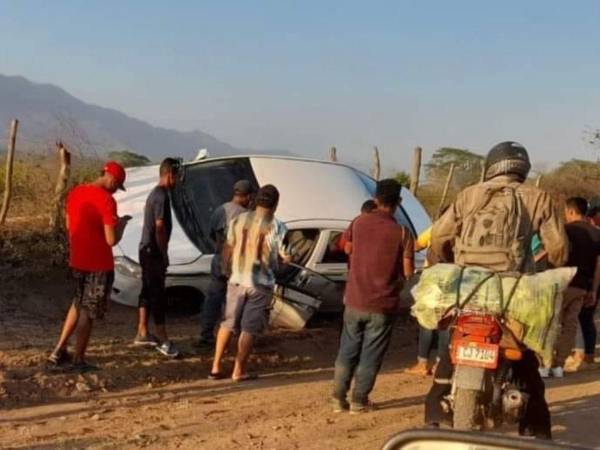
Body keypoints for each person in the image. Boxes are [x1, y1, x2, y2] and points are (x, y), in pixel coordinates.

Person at [424, 142, 568, 440]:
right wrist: (551, 271)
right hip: (513, 290)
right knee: (527, 363)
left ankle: (434, 419)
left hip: (468, 287)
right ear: (523, 168)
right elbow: (558, 247)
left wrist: (444, 263)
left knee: (452, 348)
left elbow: (439, 235)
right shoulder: (538, 197)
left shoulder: (468, 195)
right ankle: (537, 433)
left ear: (490, 166)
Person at [331, 179, 415, 414]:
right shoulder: (402, 232)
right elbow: (408, 272)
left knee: (347, 348)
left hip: (354, 299)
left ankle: (338, 398)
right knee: (371, 354)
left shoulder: (358, 222)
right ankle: (359, 401)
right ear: (398, 202)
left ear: (376, 199)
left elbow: (347, 249)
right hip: (383, 305)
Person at [48, 161, 129, 372]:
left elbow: (68, 225)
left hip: (78, 260)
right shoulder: (107, 201)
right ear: (111, 179)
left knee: (77, 304)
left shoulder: (76, 192)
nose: (116, 190)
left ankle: (59, 350)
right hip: (98, 265)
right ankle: (79, 359)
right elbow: (111, 240)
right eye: (117, 185)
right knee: (88, 312)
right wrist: (121, 225)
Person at [209, 185, 289, 381]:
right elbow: (285, 258)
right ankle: (238, 370)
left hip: (236, 279)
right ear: (276, 204)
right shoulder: (278, 227)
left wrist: (227, 270)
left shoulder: (239, 220)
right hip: (261, 284)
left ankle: (216, 366)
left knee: (227, 323)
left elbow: (227, 249)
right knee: (248, 329)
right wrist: (281, 264)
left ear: (257, 200)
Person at [541, 197, 600, 378]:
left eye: (566, 212)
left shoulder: (565, 231)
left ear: (572, 211)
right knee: (570, 325)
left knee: (551, 324)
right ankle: (559, 366)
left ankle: (546, 364)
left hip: (562, 283)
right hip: (582, 286)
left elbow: (552, 252)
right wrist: (593, 290)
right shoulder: (597, 234)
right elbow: (598, 266)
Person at [133, 158, 181, 357]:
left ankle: (142, 331)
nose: (178, 181)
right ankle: (163, 338)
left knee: (147, 290)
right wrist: (164, 251)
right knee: (157, 294)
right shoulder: (162, 196)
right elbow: (160, 226)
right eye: (177, 177)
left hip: (146, 249)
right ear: (170, 175)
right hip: (153, 251)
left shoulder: (155, 193)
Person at [197, 180, 253, 349]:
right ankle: (233, 335)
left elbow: (212, 234)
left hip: (219, 259)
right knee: (235, 301)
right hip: (237, 264)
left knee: (213, 298)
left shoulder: (220, 210)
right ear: (247, 196)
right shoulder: (247, 216)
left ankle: (206, 334)